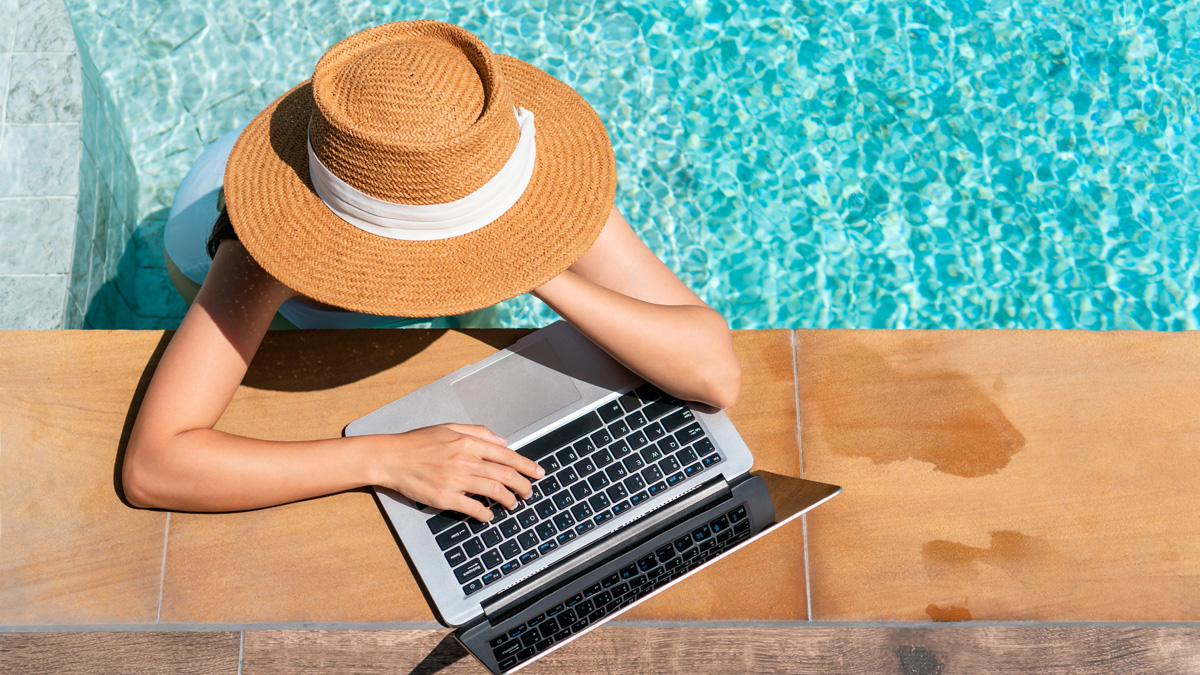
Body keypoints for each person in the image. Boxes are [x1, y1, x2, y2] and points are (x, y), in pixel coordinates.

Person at [122, 21, 741, 520]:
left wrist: (532, 262)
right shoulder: (269, 243)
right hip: (223, 245)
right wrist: (383, 460)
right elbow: (155, 468)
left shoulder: (494, 164)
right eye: (445, 250)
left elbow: (713, 374)